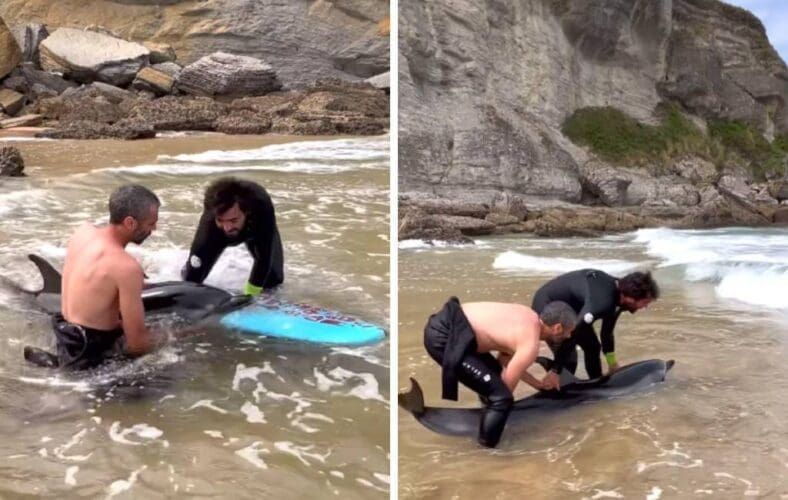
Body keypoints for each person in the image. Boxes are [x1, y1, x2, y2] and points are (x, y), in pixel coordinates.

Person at [25, 185, 160, 370]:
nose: (154, 228)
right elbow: (137, 345)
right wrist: (170, 337)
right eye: (151, 223)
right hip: (88, 353)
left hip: (64, 330)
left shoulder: (84, 231)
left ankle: (59, 363)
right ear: (130, 223)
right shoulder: (127, 268)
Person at [423, 297, 576, 448]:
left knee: (495, 380)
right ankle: (486, 450)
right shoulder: (530, 344)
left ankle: (487, 417)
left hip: (451, 324)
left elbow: (506, 361)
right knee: (501, 398)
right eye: (569, 331)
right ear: (557, 328)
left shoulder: (528, 316)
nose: (569, 336)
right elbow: (507, 388)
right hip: (446, 337)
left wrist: (538, 385)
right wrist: (499, 404)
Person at [532, 269, 660, 390]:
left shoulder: (617, 296)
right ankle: (556, 390)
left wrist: (612, 364)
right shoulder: (603, 302)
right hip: (549, 305)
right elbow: (574, 332)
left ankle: (596, 384)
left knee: (592, 347)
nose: (645, 307)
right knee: (569, 359)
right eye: (645, 302)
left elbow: (607, 332)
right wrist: (556, 370)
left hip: (573, 309)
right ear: (630, 298)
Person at [181, 177, 284, 295]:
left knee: (273, 281)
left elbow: (264, 258)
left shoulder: (261, 207)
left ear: (246, 212)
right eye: (221, 220)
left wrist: (250, 296)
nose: (227, 228)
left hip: (254, 228)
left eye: (233, 220)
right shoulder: (212, 219)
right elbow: (192, 279)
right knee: (192, 277)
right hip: (215, 232)